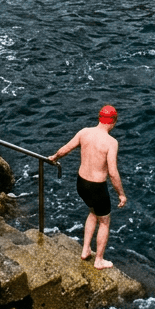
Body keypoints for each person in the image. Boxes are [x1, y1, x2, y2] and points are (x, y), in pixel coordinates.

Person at [50, 105, 127, 270]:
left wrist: (54, 157)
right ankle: (99, 260)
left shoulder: (84, 132)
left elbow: (66, 149)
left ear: (100, 118)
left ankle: (86, 250)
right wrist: (121, 194)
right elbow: (113, 173)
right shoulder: (111, 142)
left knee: (93, 212)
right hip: (97, 187)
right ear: (113, 121)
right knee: (104, 221)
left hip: (81, 183)